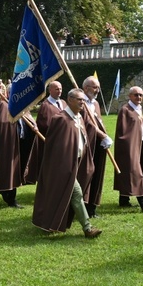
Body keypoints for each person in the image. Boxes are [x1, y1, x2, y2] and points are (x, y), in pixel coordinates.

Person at [32, 88, 102, 239]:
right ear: (70, 100)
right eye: (79, 99)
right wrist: (62, 165)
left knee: (62, 195)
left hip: (76, 163)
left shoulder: (79, 118)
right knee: (76, 194)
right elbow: (54, 147)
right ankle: (88, 228)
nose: (82, 102)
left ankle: (49, 222)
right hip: (62, 166)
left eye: (83, 100)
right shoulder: (60, 119)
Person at [113, 86, 143, 212]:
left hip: (140, 143)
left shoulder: (139, 109)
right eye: (136, 95)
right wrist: (127, 147)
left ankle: (123, 200)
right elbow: (123, 131)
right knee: (135, 171)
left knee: (131, 170)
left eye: (140, 95)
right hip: (128, 146)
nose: (139, 97)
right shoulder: (125, 110)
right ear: (130, 96)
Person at [81, 76, 112, 218]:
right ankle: (81, 207)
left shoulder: (96, 104)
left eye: (98, 87)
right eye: (95, 87)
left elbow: (98, 123)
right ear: (86, 88)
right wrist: (101, 135)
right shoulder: (79, 102)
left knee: (97, 175)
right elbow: (86, 125)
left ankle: (92, 208)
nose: (97, 90)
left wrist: (103, 136)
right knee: (84, 175)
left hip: (98, 146)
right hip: (85, 145)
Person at [24, 81, 64, 184]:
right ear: (50, 90)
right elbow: (43, 125)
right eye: (57, 89)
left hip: (64, 142)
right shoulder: (46, 106)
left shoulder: (63, 103)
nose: (59, 91)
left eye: (60, 89)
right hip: (51, 143)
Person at [0, 83, 24, 207]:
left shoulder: (14, 104)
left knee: (14, 169)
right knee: (7, 169)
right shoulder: (2, 105)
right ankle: (9, 197)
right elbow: (2, 123)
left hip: (16, 143)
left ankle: (12, 195)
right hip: (7, 144)